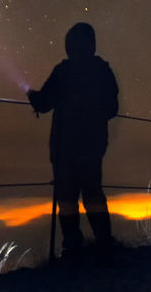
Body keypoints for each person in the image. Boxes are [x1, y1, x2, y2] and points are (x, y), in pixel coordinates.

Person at [27, 21, 120, 259]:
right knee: (93, 194)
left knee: (67, 198)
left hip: (65, 147)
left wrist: (32, 95)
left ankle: (73, 247)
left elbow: (44, 103)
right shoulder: (102, 71)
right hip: (93, 146)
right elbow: (112, 108)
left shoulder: (64, 71)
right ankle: (103, 243)